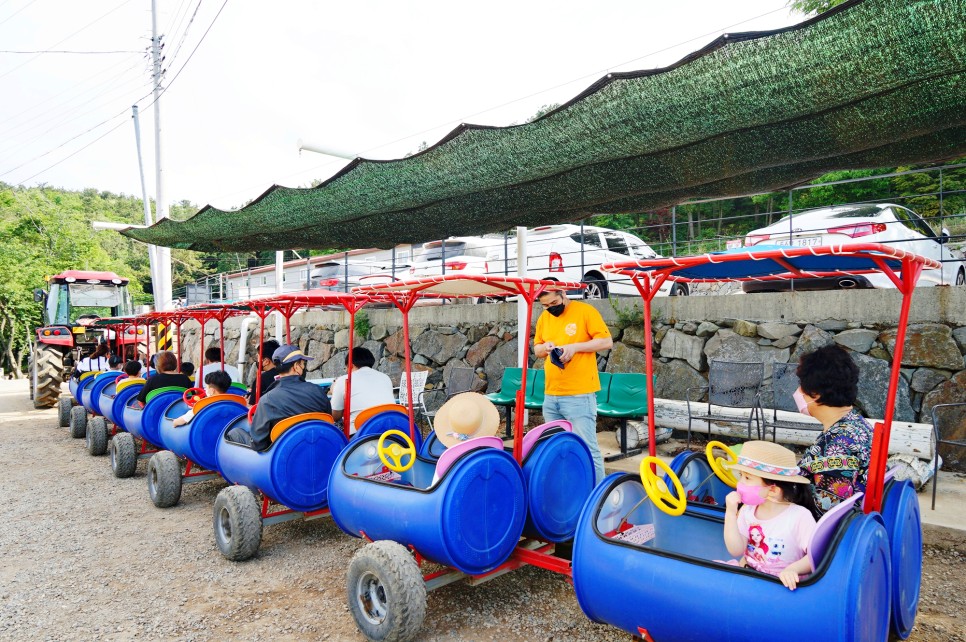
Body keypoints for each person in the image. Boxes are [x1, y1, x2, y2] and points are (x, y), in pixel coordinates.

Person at [532, 289, 613, 483]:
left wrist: (575, 347)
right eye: (545, 305)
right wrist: (546, 348)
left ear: (564, 294)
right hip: (551, 394)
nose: (550, 308)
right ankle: (570, 493)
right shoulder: (544, 317)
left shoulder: (585, 311)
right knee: (557, 448)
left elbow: (606, 341)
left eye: (553, 303)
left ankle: (597, 498)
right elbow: (537, 348)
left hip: (579, 394)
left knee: (587, 448)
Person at [723, 440, 818, 591]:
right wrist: (730, 514)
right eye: (741, 476)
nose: (739, 483)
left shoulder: (800, 517)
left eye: (747, 478)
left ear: (773, 490)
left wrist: (793, 569)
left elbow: (816, 555)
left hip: (781, 587)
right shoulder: (747, 510)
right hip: (750, 578)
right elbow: (736, 550)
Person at [794, 344, 873, 514]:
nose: (798, 391)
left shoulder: (835, 447)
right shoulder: (859, 425)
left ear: (815, 393)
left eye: (801, 385)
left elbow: (827, 513)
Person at [228, 345, 331, 452]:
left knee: (234, 433)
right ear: (296, 366)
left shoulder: (267, 399)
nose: (304, 368)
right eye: (303, 364)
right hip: (317, 450)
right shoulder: (318, 391)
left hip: (281, 458)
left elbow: (258, 443)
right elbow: (329, 419)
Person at [330, 347, 394, 434]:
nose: (346, 372)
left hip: (360, 436)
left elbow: (335, 416)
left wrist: (334, 390)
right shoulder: (385, 378)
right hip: (390, 430)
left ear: (350, 365)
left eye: (346, 368)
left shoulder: (344, 380)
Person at [247, 339, 280, 405]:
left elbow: (253, 405)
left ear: (266, 361)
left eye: (258, 357)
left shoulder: (261, 379)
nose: (257, 360)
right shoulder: (286, 374)